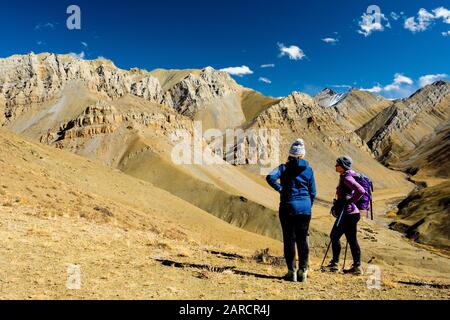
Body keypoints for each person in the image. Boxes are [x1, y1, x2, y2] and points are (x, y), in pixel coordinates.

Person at [266, 139, 316, 282]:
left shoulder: (283, 168)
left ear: (291, 154)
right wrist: (307, 204)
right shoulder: (309, 170)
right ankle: (303, 272)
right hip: (305, 209)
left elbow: (270, 177)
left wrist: (281, 190)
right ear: (303, 154)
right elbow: (313, 192)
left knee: (289, 239)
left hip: (288, 206)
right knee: (302, 240)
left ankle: (291, 271)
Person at [327, 156, 365, 275]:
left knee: (334, 236)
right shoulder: (348, 175)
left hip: (347, 214)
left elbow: (361, 190)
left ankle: (335, 264)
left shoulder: (347, 178)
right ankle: (357, 267)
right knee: (352, 240)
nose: (335, 166)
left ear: (343, 166)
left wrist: (350, 201)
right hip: (352, 213)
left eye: (337, 164)